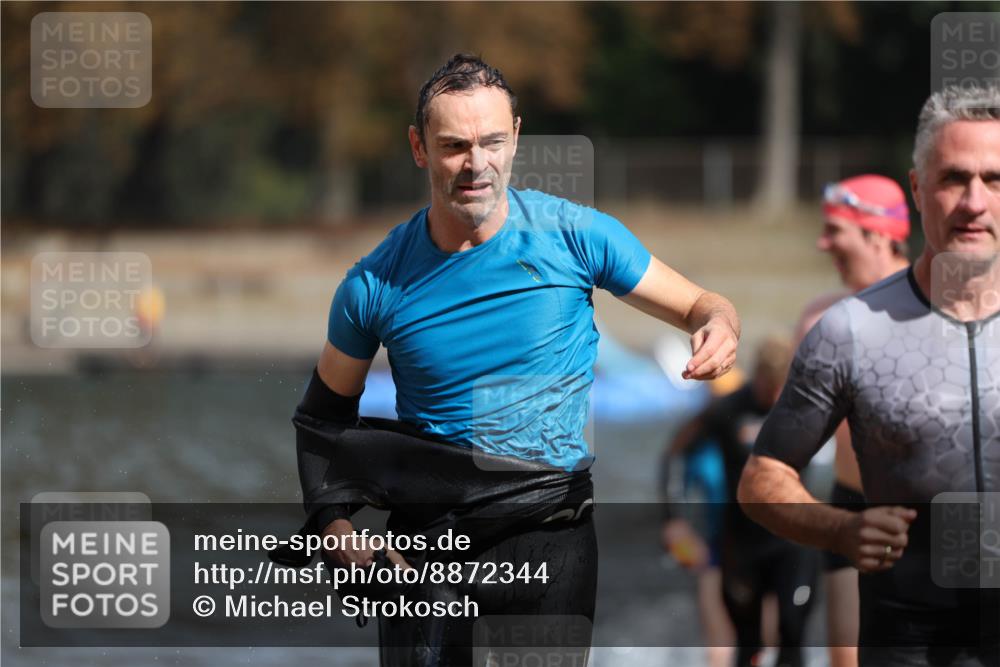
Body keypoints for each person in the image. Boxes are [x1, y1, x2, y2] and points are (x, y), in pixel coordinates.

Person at [291, 54, 741, 666]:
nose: (477, 165)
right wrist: (336, 530)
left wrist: (718, 322)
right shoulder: (374, 284)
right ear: (419, 148)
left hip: (550, 532)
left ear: (517, 138)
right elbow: (321, 422)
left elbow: (700, 304)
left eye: (492, 142)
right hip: (426, 543)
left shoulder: (579, 237)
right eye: (454, 146)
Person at [738, 83, 1000, 666]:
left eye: (994, 180)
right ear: (917, 188)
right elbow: (762, 478)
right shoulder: (848, 330)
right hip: (906, 635)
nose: (974, 202)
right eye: (954, 178)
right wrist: (837, 529)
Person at [795, 173, 912, 667]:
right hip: (848, 505)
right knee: (847, 657)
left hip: (926, 511)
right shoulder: (818, 317)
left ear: (878, 232)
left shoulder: (937, 306)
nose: (823, 244)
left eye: (835, 230)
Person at [662, 336, 818, 667]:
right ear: (757, 375)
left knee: (792, 634)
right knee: (748, 643)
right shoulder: (727, 409)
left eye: (782, 387)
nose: (775, 396)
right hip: (742, 544)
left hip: (794, 543)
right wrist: (675, 519)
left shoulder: (806, 406)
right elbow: (674, 454)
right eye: (768, 386)